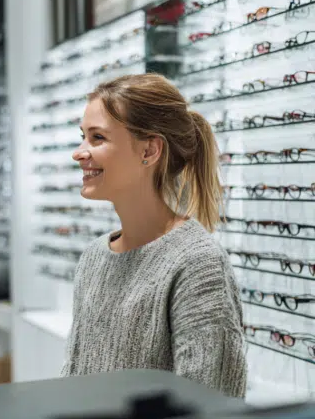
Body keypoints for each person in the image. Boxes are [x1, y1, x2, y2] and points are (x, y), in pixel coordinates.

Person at [63, 73, 247, 397]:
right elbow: (74, 378)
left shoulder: (197, 265)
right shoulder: (94, 257)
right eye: (83, 137)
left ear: (149, 150)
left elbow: (209, 404)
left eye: (97, 138)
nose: (79, 153)